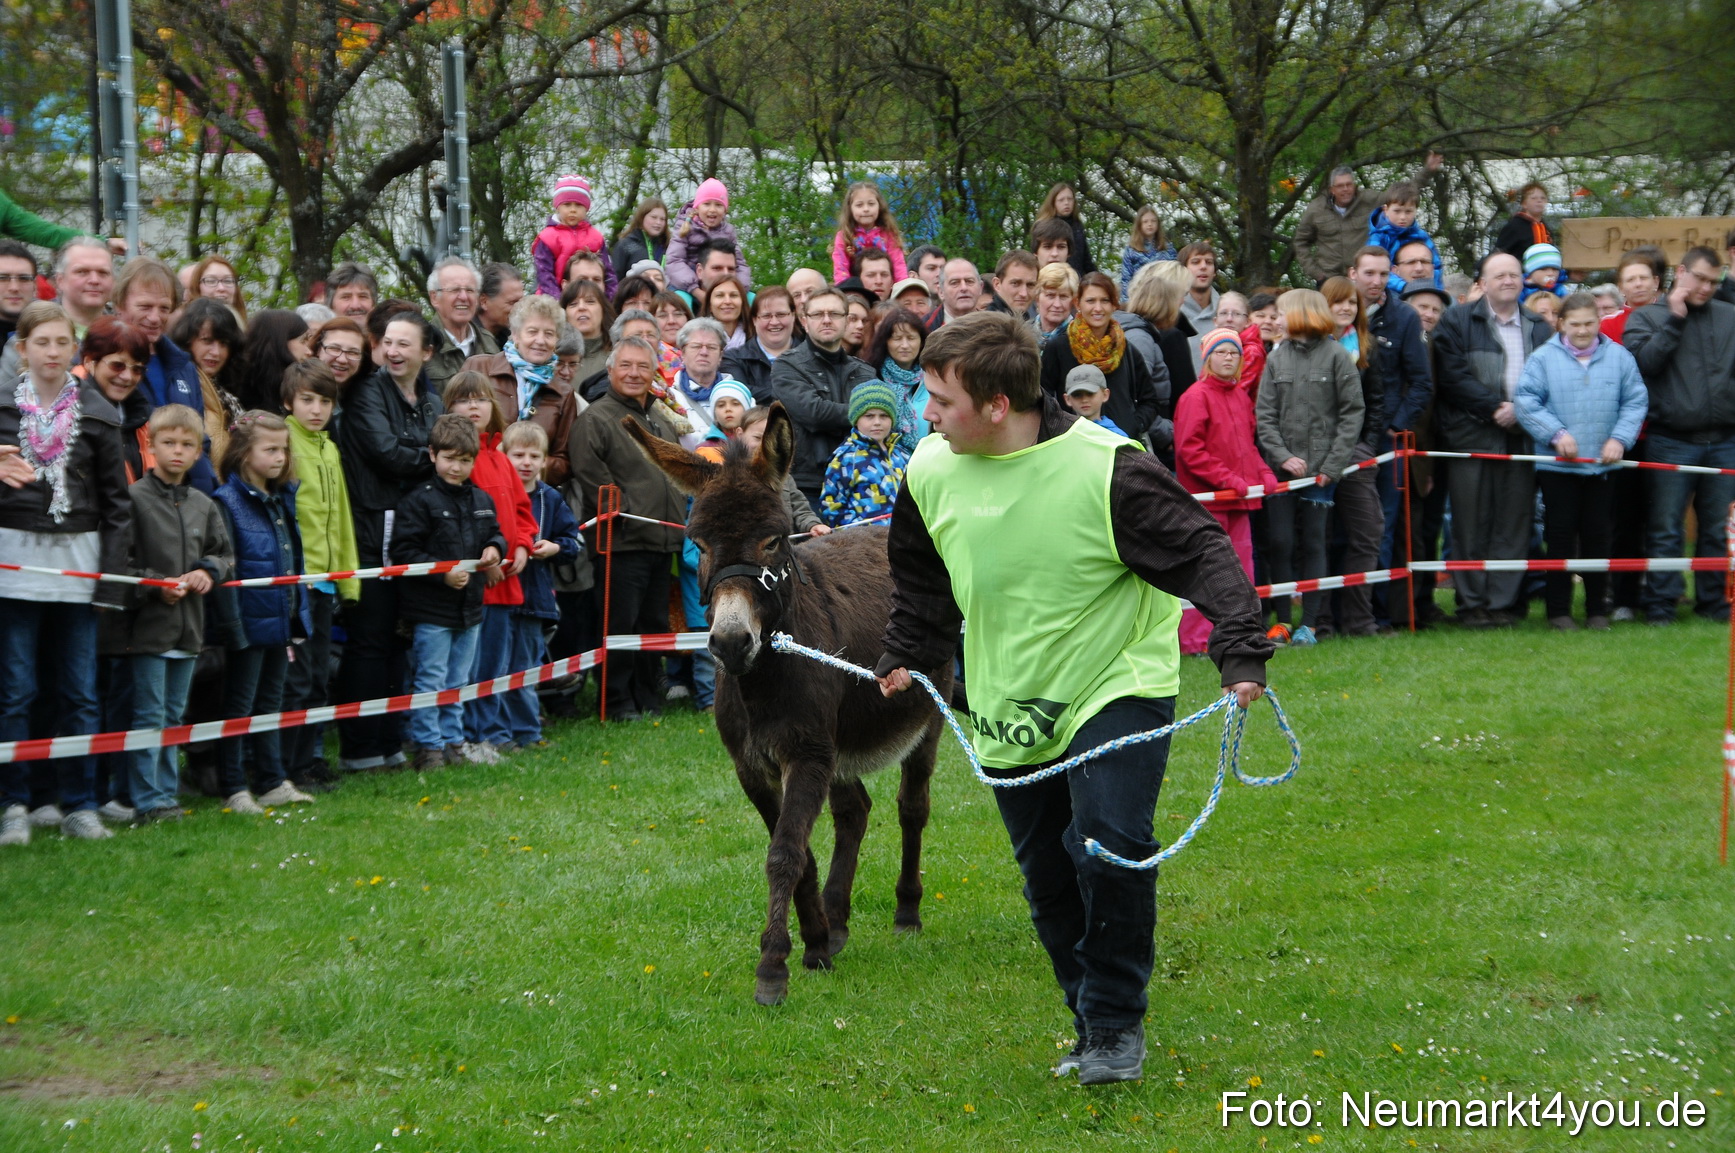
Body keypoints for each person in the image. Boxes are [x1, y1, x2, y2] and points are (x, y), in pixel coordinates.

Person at [873, 310, 1270, 1086]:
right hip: (1008, 697)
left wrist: (1239, 650)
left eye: (940, 399)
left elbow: (1199, 549)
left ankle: (1118, 1023)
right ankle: (1089, 1019)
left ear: (996, 405)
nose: (925, 413)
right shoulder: (929, 466)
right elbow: (921, 581)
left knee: (1107, 842)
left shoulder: (1107, 468)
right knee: (1048, 875)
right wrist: (906, 652)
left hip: (1115, 680)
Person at [0, 303, 131, 846]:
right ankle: (14, 802)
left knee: (79, 692)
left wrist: (113, 582)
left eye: (62, 343)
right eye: (43, 342)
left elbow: (118, 505)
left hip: (79, 567)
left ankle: (78, 802)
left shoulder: (98, 412)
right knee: (16, 690)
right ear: (21, 348)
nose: (53, 353)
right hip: (14, 568)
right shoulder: (2, 408)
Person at [106, 404, 232, 823]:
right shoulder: (134, 499)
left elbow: (223, 554)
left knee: (175, 715)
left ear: (199, 452)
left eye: (187, 445)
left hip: (189, 631)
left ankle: (166, 793)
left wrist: (205, 572)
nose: (177, 451)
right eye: (169, 443)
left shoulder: (203, 503)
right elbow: (119, 564)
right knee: (148, 714)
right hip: (147, 630)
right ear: (150, 445)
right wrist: (157, 586)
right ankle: (148, 800)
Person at [333, 312, 444, 770]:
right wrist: (429, 456)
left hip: (418, 530)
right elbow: (387, 454)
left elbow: (442, 448)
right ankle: (360, 748)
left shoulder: (432, 398)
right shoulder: (365, 392)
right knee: (371, 637)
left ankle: (390, 740)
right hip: (372, 527)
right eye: (388, 343)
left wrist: (422, 453)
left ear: (426, 352)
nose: (393, 352)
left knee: (401, 639)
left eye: (404, 344)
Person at [1431, 252, 1554, 626]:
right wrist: (1494, 408)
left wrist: (1520, 411)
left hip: (1521, 438)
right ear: (1482, 283)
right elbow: (1452, 377)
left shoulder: (1539, 326)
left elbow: (1549, 379)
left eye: (1514, 275)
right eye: (1499, 275)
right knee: (1470, 525)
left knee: (1514, 524)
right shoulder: (1456, 320)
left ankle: (1502, 604)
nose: (1508, 280)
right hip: (1471, 437)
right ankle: (1472, 605)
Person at [568, 336, 687, 719]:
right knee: (619, 625)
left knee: (652, 625)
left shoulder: (660, 419)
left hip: (662, 541)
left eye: (643, 366)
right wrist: (629, 511)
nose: (635, 373)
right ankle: (616, 702)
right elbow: (592, 479)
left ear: (654, 372)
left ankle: (648, 697)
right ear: (610, 370)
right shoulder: (595, 419)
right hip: (619, 544)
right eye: (626, 365)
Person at [1513, 292, 1647, 631]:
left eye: (1589, 323)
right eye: (1575, 324)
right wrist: (1556, 434)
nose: (1583, 330)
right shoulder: (1543, 359)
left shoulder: (1619, 357)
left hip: (1602, 466)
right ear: (1561, 324)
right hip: (1558, 466)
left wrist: (1620, 439)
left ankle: (1596, 610)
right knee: (1559, 536)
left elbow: (1635, 401)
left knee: (1598, 537)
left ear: (1599, 322)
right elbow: (1526, 401)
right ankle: (1558, 611)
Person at [209, 412, 314, 813]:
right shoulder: (226, 502)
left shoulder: (282, 497)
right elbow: (228, 569)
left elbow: (292, 562)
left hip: (280, 617)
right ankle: (233, 786)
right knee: (239, 705)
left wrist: (296, 611)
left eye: (283, 449)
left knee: (271, 701)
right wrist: (234, 627)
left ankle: (272, 780)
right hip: (247, 623)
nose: (280, 457)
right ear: (242, 452)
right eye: (270, 449)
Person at [1624, 245, 1735, 624]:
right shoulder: (1647, 317)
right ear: (1682, 271)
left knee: (1719, 529)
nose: (1706, 287)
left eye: (1713, 281)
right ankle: (1661, 606)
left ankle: (1715, 603)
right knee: (1666, 528)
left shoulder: (1730, 316)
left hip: (1724, 440)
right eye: (1700, 278)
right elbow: (1644, 365)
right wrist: (1675, 318)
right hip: (1670, 439)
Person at [392, 414, 506, 769]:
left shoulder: (482, 499)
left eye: (464, 460)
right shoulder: (418, 501)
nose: (456, 467)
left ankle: (453, 741)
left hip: (470, 608)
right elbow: (403, 553)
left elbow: (495, 532)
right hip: (431, 609)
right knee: (430, 677)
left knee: (459, 678)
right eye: (449, 458)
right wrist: (441, 575)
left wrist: (495, 550)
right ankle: (428, 746)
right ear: (432, 455)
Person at [1255, 290, 1365, 644]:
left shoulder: (1337, 356)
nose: (1275, 320)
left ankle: (1311, 624)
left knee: (1316, 543)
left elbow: (1352, 413)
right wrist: (1282, 456)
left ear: (1301, 314)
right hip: (1281, 471)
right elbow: (1264, 415)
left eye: (1281, 313)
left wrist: (1332, 465)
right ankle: (1283, 622)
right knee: (1281, 541)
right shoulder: (1276, 358)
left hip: (1322, 473)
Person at [274, 360, 359, 796]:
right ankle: (286, 766)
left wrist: (348, 578)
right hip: (296, 584)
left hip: (326, 581)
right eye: (307, 399)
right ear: (289, 401)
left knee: (319, 676)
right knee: (297, 678)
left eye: (325, 401)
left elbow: (340, 516)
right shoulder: (283, 443)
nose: (316, 409)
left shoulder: (329, 447)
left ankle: (309, 759)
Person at [441, 372, 535, 763]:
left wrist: (525, 546)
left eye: (481, 399)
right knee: (470, 666)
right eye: (464, 400)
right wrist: (486, 560)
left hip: (508, 583)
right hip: (476, 583)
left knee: (497, 664)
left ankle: (490, 733)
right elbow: (460, 519)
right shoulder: (458, 463)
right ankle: (467, 736)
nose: (474, 406)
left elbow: (521, 512)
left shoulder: (500, 458)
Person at [1174, 329, 1274, 654]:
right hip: (1208, 504)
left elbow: (1248, 447)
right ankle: (1195, 641)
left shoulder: (1241, 397)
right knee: (1207, 573)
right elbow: (1190, 451)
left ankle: (1241, 636)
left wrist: (1264, 473)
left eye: (1234, 352)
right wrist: (1229, 479)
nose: (1228, 357)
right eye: (1221, 352)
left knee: (1242, 570)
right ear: (1207, 358)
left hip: (1239, 503)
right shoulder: (1195, 397)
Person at [1346, 247, 1430, 626]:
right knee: (1341, 529)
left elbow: (1421, 382)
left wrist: (1395, 426)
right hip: (1341, 437)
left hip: (1386, 442)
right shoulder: (1336, 313)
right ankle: (1340, 613)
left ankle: (1378, 613)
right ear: (1353, 273)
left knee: (1381, 527)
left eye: (1382, 274)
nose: (1375, 281)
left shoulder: (1405, 317)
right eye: (1368, 273)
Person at [502, 420, 582, 744]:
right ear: (503, 457)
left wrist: (556, 548)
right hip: (496, 595)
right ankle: (496, 730)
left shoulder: (551, 499)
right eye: (518, 455)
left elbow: (574, 542)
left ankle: (526, 731)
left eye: (534, 456)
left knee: (525, 666)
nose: (526, 463)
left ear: (545, 460)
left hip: (535, 598)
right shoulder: (495, 493)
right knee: (496, 667)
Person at [1318, 276, 1387, 636]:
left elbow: (1376, 402)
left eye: (1352, 303)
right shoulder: (1308, 347)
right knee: (1322, 538)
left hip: (1356, 454)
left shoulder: (1367, 346)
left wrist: (1368, 445)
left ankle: (1359, 620)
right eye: (1338, 302)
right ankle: (1322, 621)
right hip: (1316, 456)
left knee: (1367, 531)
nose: (1346, 309)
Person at [771, 287, 878, 506]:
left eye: (835, 314)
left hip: (862, 479)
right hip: (809, 485)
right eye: (818, 314)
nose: (827, 320)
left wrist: (860, 415)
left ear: (846, 320)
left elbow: (878, 419)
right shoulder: (787, 366)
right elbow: (814, 413)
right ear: (804, 321)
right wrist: (860, 412)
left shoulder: (866, 372)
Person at [464, 292, 577, 490]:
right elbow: (453, 431)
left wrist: (526, 465)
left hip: (529, 496)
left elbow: (564, 462)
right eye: (532, 331)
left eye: (549, 334)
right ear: (515, 335)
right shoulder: (479, 368)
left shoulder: (563, 392)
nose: (540, 341)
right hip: (476, 488)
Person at [1039, 272, 1160, 441]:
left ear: (1114, 305)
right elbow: (1040, 396)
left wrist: (1132, 426)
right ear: (1078, 303)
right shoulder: (1059, 348)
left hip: (1119, 446)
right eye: (1090, 301)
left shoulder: (1126, 350)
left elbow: (1150, 401)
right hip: (1074, 444)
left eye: (1105, 300)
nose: (1098, 308)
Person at [1292, 155, 1444, 285]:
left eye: (1349, 184)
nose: (1345, 189)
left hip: (1363, 278)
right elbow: (1301, 241)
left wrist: (1427, 171)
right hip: (1329, 278)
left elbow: (1400, 197)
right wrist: (1315, 273)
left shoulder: (1369, 199)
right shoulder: (1316, 209)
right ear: (1332, 189)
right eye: (1340, 186)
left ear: (1354, 185)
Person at [167, 297, 246, 467]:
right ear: (187, 340)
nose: (216, 352)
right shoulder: (177, 387)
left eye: (223, 343)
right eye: (207, 341)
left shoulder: (227, 393)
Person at [820, 382, 912, 527]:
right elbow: (832, 508)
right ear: (856, 420)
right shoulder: (845, 459)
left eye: (884, 416)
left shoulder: (903, 456)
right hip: (865, 544)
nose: (877, 422)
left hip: (903, 540)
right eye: (869, 416)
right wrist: (859, 534)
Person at [1122, 263, 1197, 415]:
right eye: (1182, 294)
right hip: (1163, 428)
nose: (1183, 301)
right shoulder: (1171, 337)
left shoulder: (1122, 326)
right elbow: (1186, 398)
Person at [425, 256, 501, 391]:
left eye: (470, 290)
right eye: (454, 290)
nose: (464, 297)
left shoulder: (489, 343)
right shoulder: (423, 344)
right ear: (434, 297)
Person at [533, 176, 614, 298]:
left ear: (586, 208)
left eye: (578, 205)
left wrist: (608, 299)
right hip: (554, 299)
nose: (573, 210)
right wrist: (558, 301)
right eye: (567, 204)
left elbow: (608, 272)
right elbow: (544, 273)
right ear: (558, 207)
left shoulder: (596, 237)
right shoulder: (547, 237)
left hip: (591, 297)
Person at [666, 179, 751, 292]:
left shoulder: (728, 232)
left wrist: (740, 289)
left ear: (725, 210)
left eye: (718, 205)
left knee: (750, 299)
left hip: (721, 283)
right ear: (697, 207)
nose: (712, 210)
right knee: (681, 300)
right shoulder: (685, 227)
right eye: (706, 204)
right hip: (688, 285)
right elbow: (674, 260)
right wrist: (695, 289)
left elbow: (740, 264)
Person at [721, 286, 796, 405]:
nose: (774, 322)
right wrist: (798, 395)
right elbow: (741, 394)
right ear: (755, 320)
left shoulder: (813, 355)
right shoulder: (733, 359)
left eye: (781, 314)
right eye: (766, 316)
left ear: (793, 316)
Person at [1365, 181, 1442, 295]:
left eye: (1408, 212)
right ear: (1385, 210)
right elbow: (1376, 269)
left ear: (1415, 210)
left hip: (1423, 290)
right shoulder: (1378, 238)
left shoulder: (1422, 236)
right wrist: (1404, 287)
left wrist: (1434, 291)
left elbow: (1436, 267)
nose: (1402, 217)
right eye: (1397, 211)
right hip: (1388, 293)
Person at [865, 307, 931, 440]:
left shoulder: (933, 379)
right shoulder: (871, 377)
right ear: (885, 342)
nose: (905, 345)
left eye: (911, 338)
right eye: (897, 338)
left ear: (921, 341)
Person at [831, 180, 908, 284]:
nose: (866, 209)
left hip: (884, 286)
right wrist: (845, 290)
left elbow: (898, 265)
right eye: (859, 205)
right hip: (856, 289)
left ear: (879, 206)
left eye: (871, 204)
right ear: (850, 209)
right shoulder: (844, 236)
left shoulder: (888, 234)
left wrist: (902, 287)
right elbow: (840, 267)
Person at [236, 308, 311, 413]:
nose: (309, 351)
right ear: (280, 342)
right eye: (303, 341)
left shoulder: (295, 383)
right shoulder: (242, 390)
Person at [1176, 242, 1221, 369]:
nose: (1203, 267)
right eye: (1195, 262)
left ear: (1214, 272)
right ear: (1183, 270)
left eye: (1209, 262)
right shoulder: (1171, 313)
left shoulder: (1229, 313)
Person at [561, 278, 615, 385]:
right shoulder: (552, 360)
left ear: (603, 309)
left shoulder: (618, 355)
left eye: (590, 302)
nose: (581, 307)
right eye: (573, 304)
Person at [1036, 181, 1096, 275]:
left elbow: (1086, 259)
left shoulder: (1077, 226)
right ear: (1053, 202)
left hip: (1076, 278)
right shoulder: (1043, 227)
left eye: (1070, 199)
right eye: (1061, 200)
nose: (1066, 203)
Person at [1120, 205, 1176, 295]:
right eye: (1145, 222)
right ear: (1139, 225)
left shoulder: (1168, 248)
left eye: (1153, 221)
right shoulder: (1131, 250)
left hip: (1163, 296)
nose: (1150, 224)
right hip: (1139, 297)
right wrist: (1127, 304)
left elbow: (1175, 274)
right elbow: (1126, 279)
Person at [1494, 182, 1552, 262]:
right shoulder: (1514, 226)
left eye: (1542, 198)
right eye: (1534, 198)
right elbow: (1499, 254)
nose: (1539, 201)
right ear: (1524, 204)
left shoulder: (1545, 228)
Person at [612, 197, 670, 279]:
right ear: (641, 218)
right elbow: (614, 279)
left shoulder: (669, 248)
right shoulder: (625, 245)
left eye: (662, 219)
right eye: (654, 217)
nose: (658, 222)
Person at [311, 316, 370, 394]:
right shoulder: (298, 390)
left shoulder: (368, 393)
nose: (342, 360)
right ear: (318, 349)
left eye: (353, 352)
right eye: (334, 349)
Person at [1061, 364, 1126, 435]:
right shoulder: (1062, 435)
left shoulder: (1117, 436)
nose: (1084, 400)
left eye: (1090, 393)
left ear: (1105, 395)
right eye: (1077, 395)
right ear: (1067, 399)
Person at [187, 255, 249, 324]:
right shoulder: (184, 331)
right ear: (197, 287)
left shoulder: (249, 332)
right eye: (211, 281)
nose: (221, 288)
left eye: (227, 281)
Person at [926, 258, 983, 333]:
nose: (964, 288)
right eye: (954, 283)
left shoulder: (996, 327)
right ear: (941, 292)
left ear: (981, 287)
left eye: (969, 281)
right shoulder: (924, 329)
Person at [478, 262, 525, 347]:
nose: (520, 309)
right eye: (512, 302)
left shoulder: (515, 339)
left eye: (522, 302)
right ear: (484, 302)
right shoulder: (465, 341)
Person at [1032, 261, 1078, 347]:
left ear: (1073, 300)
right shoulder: (1022, 333)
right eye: (1050, 295)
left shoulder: (1080, 339)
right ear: (1037, 298)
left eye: (1063, 296)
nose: (1057, 304)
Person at [0, 240, 37, 347]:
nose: (14, 287)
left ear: (35, 285)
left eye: (24, 278)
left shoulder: (53, 334)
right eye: (3, 278)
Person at [989, 251, 1040, 321]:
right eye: (1015, 283)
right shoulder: (985, 328)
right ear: (997, 284)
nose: (1024, 293)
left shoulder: (1032, 325)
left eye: (1030, 285)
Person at [703, 275, 750, 351]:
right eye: (720, 295)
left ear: (742, 302)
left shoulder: (759, 337)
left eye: (733, 295)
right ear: (709, 305)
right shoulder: (695, 338)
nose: (727, 301)